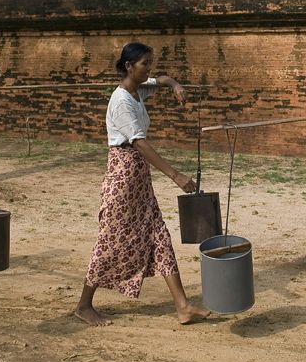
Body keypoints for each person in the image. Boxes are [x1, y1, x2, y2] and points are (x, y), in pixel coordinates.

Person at [75, 42, 211, 326]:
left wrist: (174, 84)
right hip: (122, 176)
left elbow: (160, 81)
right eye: (144, 64)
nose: (149, 68)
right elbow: (138, 143)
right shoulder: (121, 101)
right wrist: (176, 175)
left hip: (139, 177)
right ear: (128, 66)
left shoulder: (138, 89)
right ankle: (84, 305)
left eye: (150, 62)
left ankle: (183, 306)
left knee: (159, 235)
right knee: (110, 240)